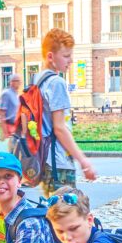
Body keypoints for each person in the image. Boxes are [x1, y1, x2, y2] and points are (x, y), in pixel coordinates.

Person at [35, 28, 98, 194]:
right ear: (50, 56)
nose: (71, 60)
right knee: (67, 215)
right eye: (66, 56)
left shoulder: (38, 80)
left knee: (55, 214)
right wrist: (83, 161)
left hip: (45, 160)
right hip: (59, 163)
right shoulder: (57, 83)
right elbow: (60, 128)